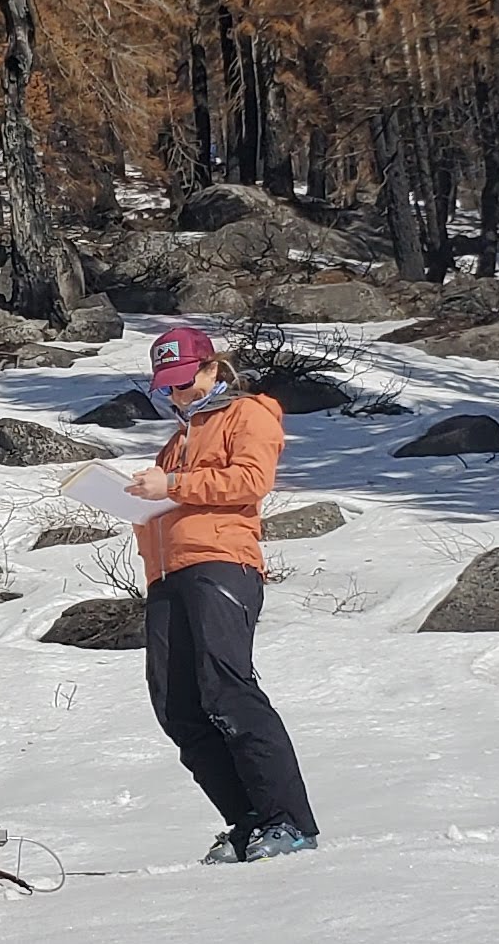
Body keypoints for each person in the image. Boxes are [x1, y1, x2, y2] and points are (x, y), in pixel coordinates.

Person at [123, 323, 320, 863]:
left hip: (221, 564)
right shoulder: (177, 440)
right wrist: (141, 505)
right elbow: (171, 503)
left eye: (185, 382)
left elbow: (251, 480)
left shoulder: (247, 413)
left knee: (227, 688)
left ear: (212, 369)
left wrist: (173, 487)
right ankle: (249, 820)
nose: (176, 394)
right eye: (167, 386)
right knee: (177, 705)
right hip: (167, 574)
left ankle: (290, 821)